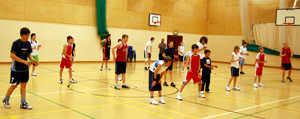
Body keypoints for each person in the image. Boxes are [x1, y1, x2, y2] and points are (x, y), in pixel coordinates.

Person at [3, 27, 38, 109]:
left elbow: (29, 54)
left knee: (24, 85)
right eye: (26, 35)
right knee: (14, 85)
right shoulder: (16, 43)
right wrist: (24, 61)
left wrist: (33, 60)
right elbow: (12, 55)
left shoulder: (28, 44)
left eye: (29, 36)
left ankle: (23, 102)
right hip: (16, 68)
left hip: (24, 68)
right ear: (22, 34)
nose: (27, 37)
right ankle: (6, 99)